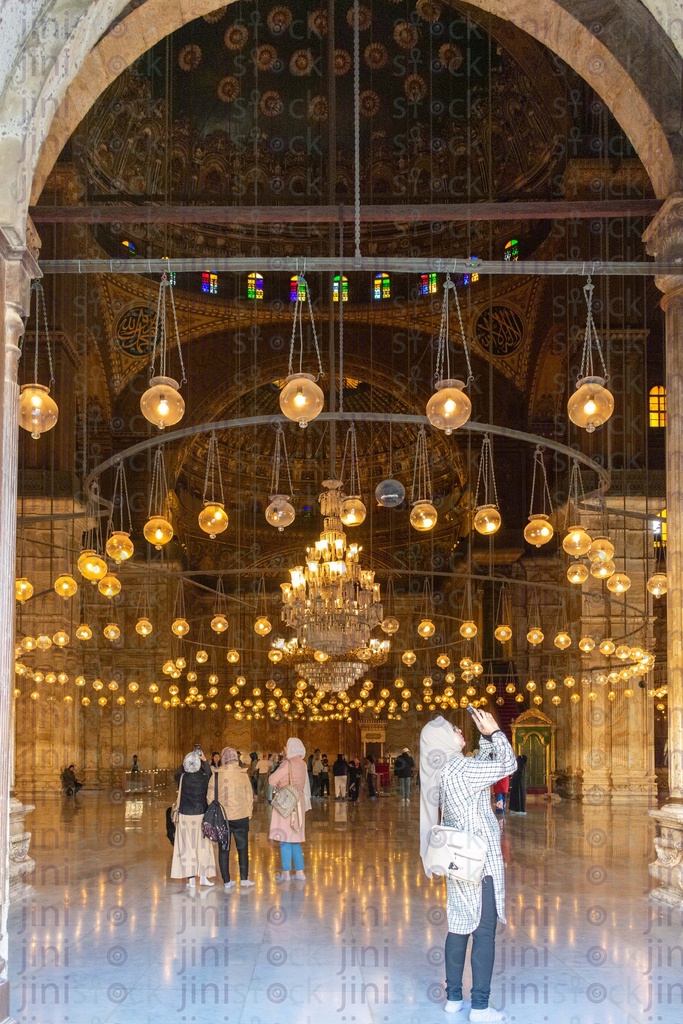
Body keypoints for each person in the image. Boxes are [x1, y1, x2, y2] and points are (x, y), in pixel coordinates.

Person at [420, 712, 517, 1022]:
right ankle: (480, 1007)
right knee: (484, 932)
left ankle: (453, 999)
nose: (460, 730)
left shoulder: (446, 768)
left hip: (458, 861)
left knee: (459, 926)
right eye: (453, 729)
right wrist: (497, 733)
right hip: (480, 862)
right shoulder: (461, 768)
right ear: (443, 739)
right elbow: (508, 764)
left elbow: (484, 765)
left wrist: (485, 738)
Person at [170, 750, 216, 889]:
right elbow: (210, 773)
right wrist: (204, 760)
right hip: (201, 815)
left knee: (187, 848)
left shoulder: (182, 778)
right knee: (203, 847)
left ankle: (191, 880)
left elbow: (177, 773)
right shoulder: (204, 778)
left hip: (185, 816)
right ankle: (203, 877)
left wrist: (186, 760)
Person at [269, 737, 311, 881]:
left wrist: (281, 783)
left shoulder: (287, 763)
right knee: (295, 838)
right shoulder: (303, 764)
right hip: (299, 802)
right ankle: (300, 872)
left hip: (286, 801)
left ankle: (286, 873)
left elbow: (271, 780)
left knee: (285, 838)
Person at [214, 746, 255, 890]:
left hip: (222, 817)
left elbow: (210, 797)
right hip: (241, 816)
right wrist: (249, 811)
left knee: (223, 849)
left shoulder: (216, 775)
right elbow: (249, 795)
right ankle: (244, 879)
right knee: (242, 848)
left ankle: (226, 881)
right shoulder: (242, 775)